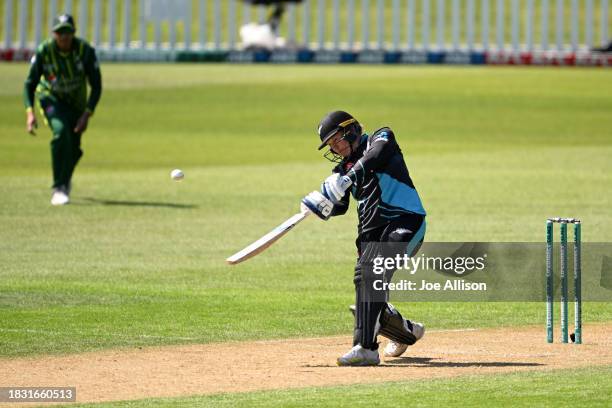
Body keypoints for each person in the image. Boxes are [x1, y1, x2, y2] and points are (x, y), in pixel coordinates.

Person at [301, 111, 427, 366]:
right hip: (370, 236)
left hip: (405, 221)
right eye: (331, 145)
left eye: (337, 140)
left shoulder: (381, 138)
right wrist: (320, 204)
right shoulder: (342, 169)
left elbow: (375, 157)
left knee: (372, 272)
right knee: (365, 280)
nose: (336, 148)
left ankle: (366, 349)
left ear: (350, 130)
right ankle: (405, 331)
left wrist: (346, 178)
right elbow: (340, 206)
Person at [24, 14, 102, 206]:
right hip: (51, 98)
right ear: (54, 34)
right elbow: (29, 84)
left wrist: (87, 113)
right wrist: (30, 112)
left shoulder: (85, 51)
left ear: (73, 33)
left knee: (74, 149)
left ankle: (64, 181)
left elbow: (97, 85)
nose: (64, 37)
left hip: (76, 104)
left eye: (67, 32)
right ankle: (59, 187)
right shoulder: (45, 51)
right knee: (61, 132)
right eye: (60, 33)